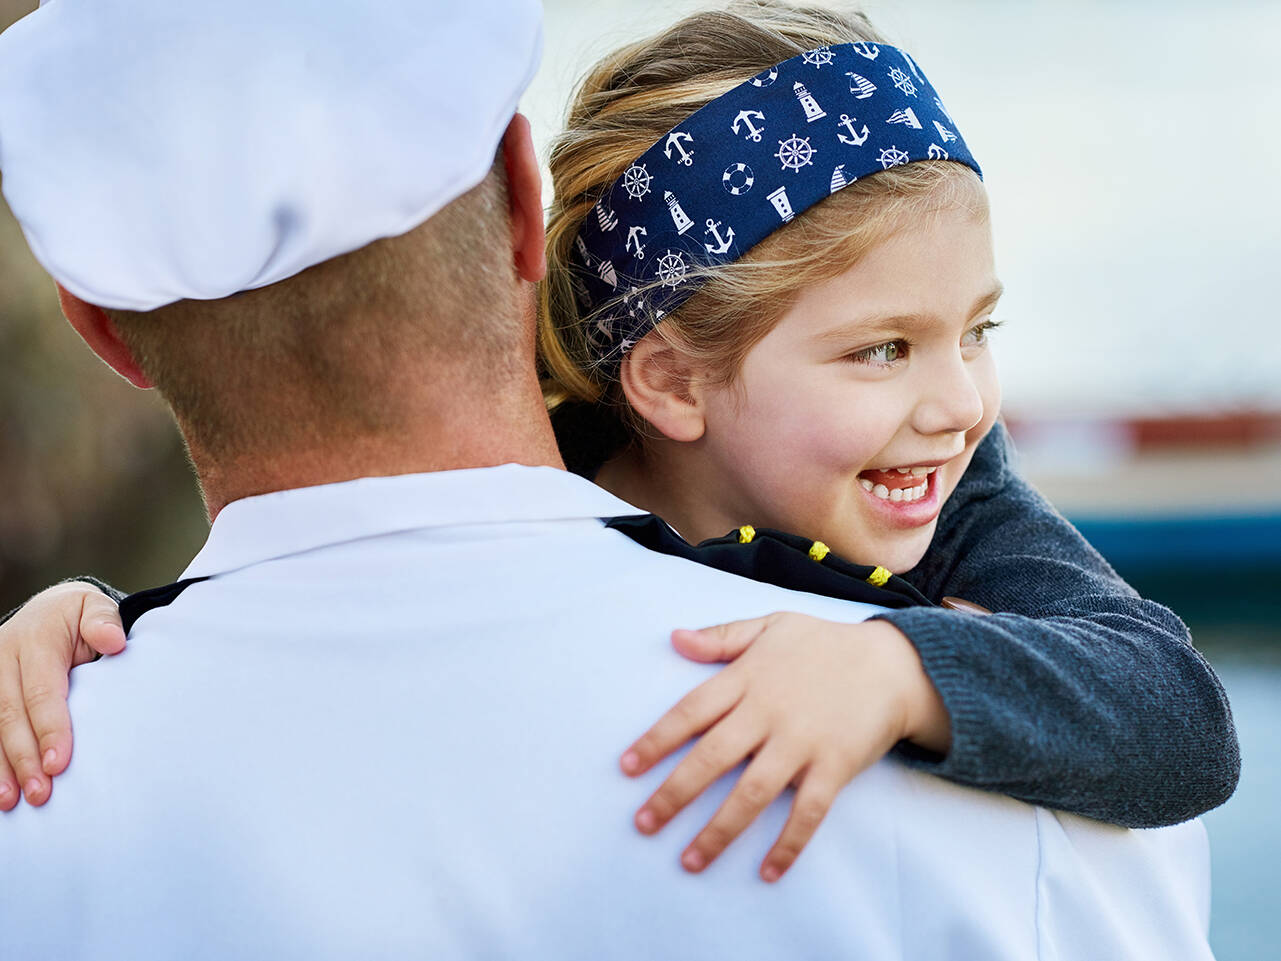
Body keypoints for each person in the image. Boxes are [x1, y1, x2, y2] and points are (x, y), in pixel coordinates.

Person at [0, 1, 1220, 956]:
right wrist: (102, 611)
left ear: (105, 333)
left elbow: (1177, 706)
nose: (960, 403)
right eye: (883, 348)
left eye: (980, 332)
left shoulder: (50, 802)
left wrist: (902, 670)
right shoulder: (1018, 840)